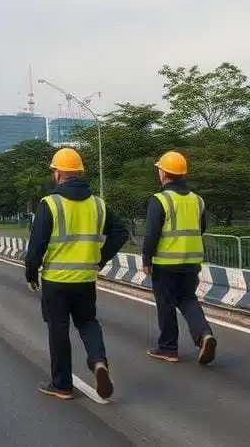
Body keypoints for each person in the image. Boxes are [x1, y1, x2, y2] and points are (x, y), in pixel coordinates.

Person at [25, 147, 129, 400]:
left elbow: (37, 244)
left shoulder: (50, 203)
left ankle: (62, 385)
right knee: (88, 323)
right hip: (85, 279)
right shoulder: (98, 204)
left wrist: (31, 273)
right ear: (80, 173)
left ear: (59, 174)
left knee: (58, 330)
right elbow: (121, 233)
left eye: (54, 172)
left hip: (56, 280)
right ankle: (98, 361)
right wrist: (100, 258)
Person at [142, 150, 217, 366]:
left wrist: (147, 259)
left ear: (164, 173)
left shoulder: (160, 200)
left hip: (165, 263)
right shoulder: (197, 200)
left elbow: (151, 233)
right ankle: (204, 334)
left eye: (159, 170)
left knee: (166, 304)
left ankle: (168, 348)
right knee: (187, 299)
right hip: (191, 262)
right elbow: (201, 228)